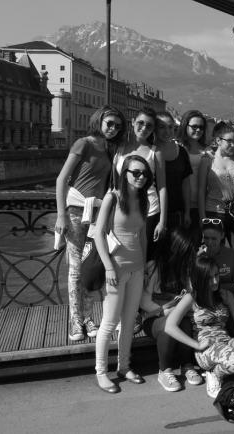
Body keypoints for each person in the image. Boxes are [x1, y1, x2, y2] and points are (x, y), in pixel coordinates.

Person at [55, 105, 126, 342]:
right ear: (99, 121)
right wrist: (60, 215)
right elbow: (61, 179)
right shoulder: (83, 143)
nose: (113, 128)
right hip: (75, 212)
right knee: (75, 269)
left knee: (88, 267)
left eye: (117, 125)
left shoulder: (109, 148)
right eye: (109, 123)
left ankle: (87, 318)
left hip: (96, 213)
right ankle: (76, 321)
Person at [164, 255, 234, 403]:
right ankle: (215, 374)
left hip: (226, 343)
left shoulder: (225, 295)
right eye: (209, 278)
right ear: (200, 279)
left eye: (217, 275)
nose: (215, 281)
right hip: (206, 350)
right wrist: (196, 345)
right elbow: (169, 326)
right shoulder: (191, 298)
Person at [93, 155, 152, 393]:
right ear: (124, 172)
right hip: (115, 269)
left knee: (128, 323)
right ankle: (100, 372)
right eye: (135, 172)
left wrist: (145, 268)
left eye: (144, 174)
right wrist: (108, 267)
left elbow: (143, 236)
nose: (140, 177)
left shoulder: (143, 199)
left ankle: (124, 366)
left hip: (137, 269)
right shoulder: (113, 197)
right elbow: (98, 234)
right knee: (109, 323)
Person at [139, 227, 201, 392]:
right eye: (188, 251)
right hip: (154, 318)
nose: (192, 255)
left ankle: (187, 365)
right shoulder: (155, 267)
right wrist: (166, 312)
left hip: (179, 316)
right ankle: (165, 370)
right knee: (168, 326)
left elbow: (192, 296)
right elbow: (144, 301)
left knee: (186, 323)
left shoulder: (187, 269)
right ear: (177, 250)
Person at [114, 107, 167, 264]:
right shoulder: (120, 147)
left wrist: (162, 221)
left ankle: (142, 286)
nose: (144, 128)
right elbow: (115, 181)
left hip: (149, 210)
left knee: (144, 256)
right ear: (133, 122)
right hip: (122, 209)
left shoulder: (155, 152)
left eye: (149, 126)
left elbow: (162, 187)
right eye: (141, 123)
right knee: (122, 253)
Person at [198, 121, 234, 250]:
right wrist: (202, 218)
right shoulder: (207, 160)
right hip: (213, 212)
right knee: (214, 250)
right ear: (218, 140)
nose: (233, 144)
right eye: (229, 141)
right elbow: (201, 190)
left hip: (232, 213)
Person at [176, 110, 212, 245]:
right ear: (185, 126)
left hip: (201, 205)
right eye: (194, 126)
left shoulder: (207, 151)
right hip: (182, 206)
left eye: (201, 127)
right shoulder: (177, 148)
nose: (198, 130)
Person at [155, 111, 192, 231]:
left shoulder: (181, 151)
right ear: (154, 128)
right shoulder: (149, 151)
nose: (167, 131)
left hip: (177, 212)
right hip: (152, 212)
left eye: (170, 127)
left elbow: (186, 184)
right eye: (162, 127)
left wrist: (187, 212)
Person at [199, 217, 234, 293]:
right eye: (206, 238)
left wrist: (215, 287)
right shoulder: (199, 257)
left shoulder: (233, 255)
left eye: (214, 238)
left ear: (222, 235)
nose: (209, 242)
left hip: (228, 299)